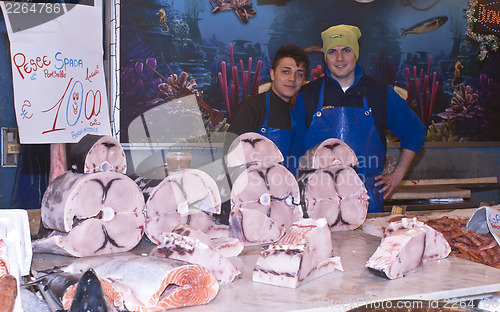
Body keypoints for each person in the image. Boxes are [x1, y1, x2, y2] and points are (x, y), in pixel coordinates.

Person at [292, 24, 426, 213]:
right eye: (332, 52)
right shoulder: (308, 95)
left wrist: (398, 174)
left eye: (346, 50)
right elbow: (295, 149)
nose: (339, 58)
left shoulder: (379, 92)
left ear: (356, 52)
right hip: (318, 205)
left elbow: (415, 132)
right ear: (325, 57)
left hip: (367, 202)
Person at [225, 44, 310, 164]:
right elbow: (230, 158)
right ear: (272, 74)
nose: (292, 78)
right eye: (286, 72)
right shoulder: (251, 108)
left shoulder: (299, 113)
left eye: (299, 74)